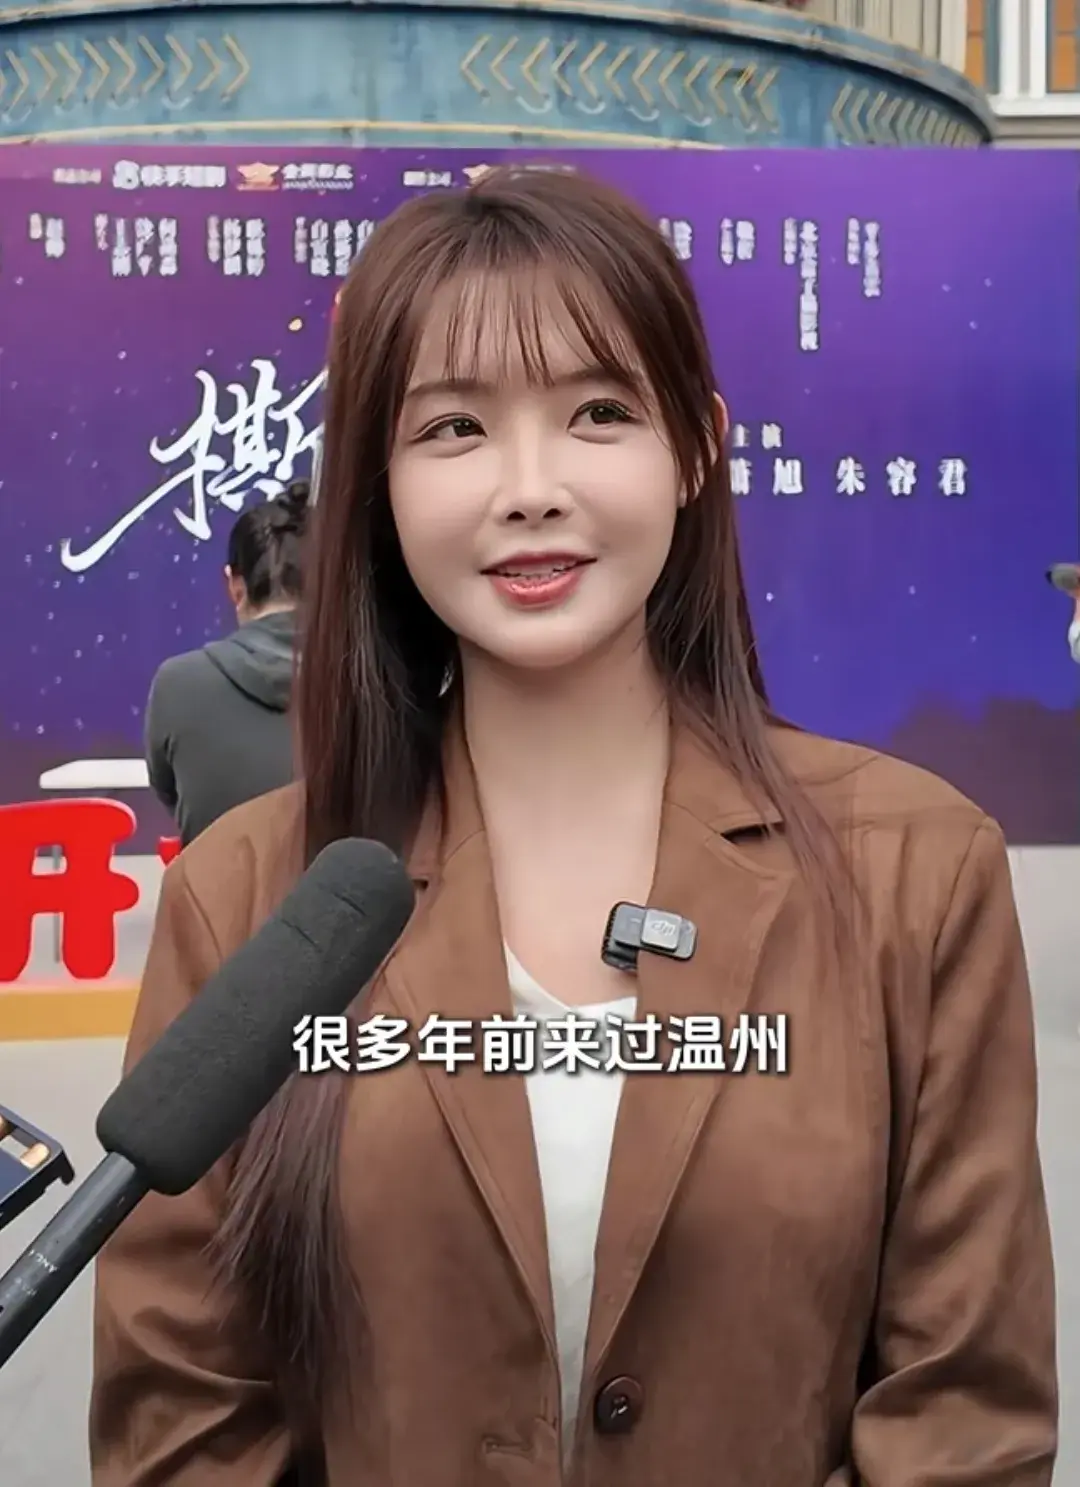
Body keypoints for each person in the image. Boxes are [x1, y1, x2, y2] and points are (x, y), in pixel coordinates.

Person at [90, 169, 1056, 1486]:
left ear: (697, 447)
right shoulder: (245, 891)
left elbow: (963, 1421)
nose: (531, 488)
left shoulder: (920, 868)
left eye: (600, 412)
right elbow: (182, 1421)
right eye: (454, 428)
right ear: (375, 482)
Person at [142, 481, 309, 846]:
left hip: (214, 882)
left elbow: (173, 794)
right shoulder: (376, 681)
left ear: (235, 585)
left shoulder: (178, 684)